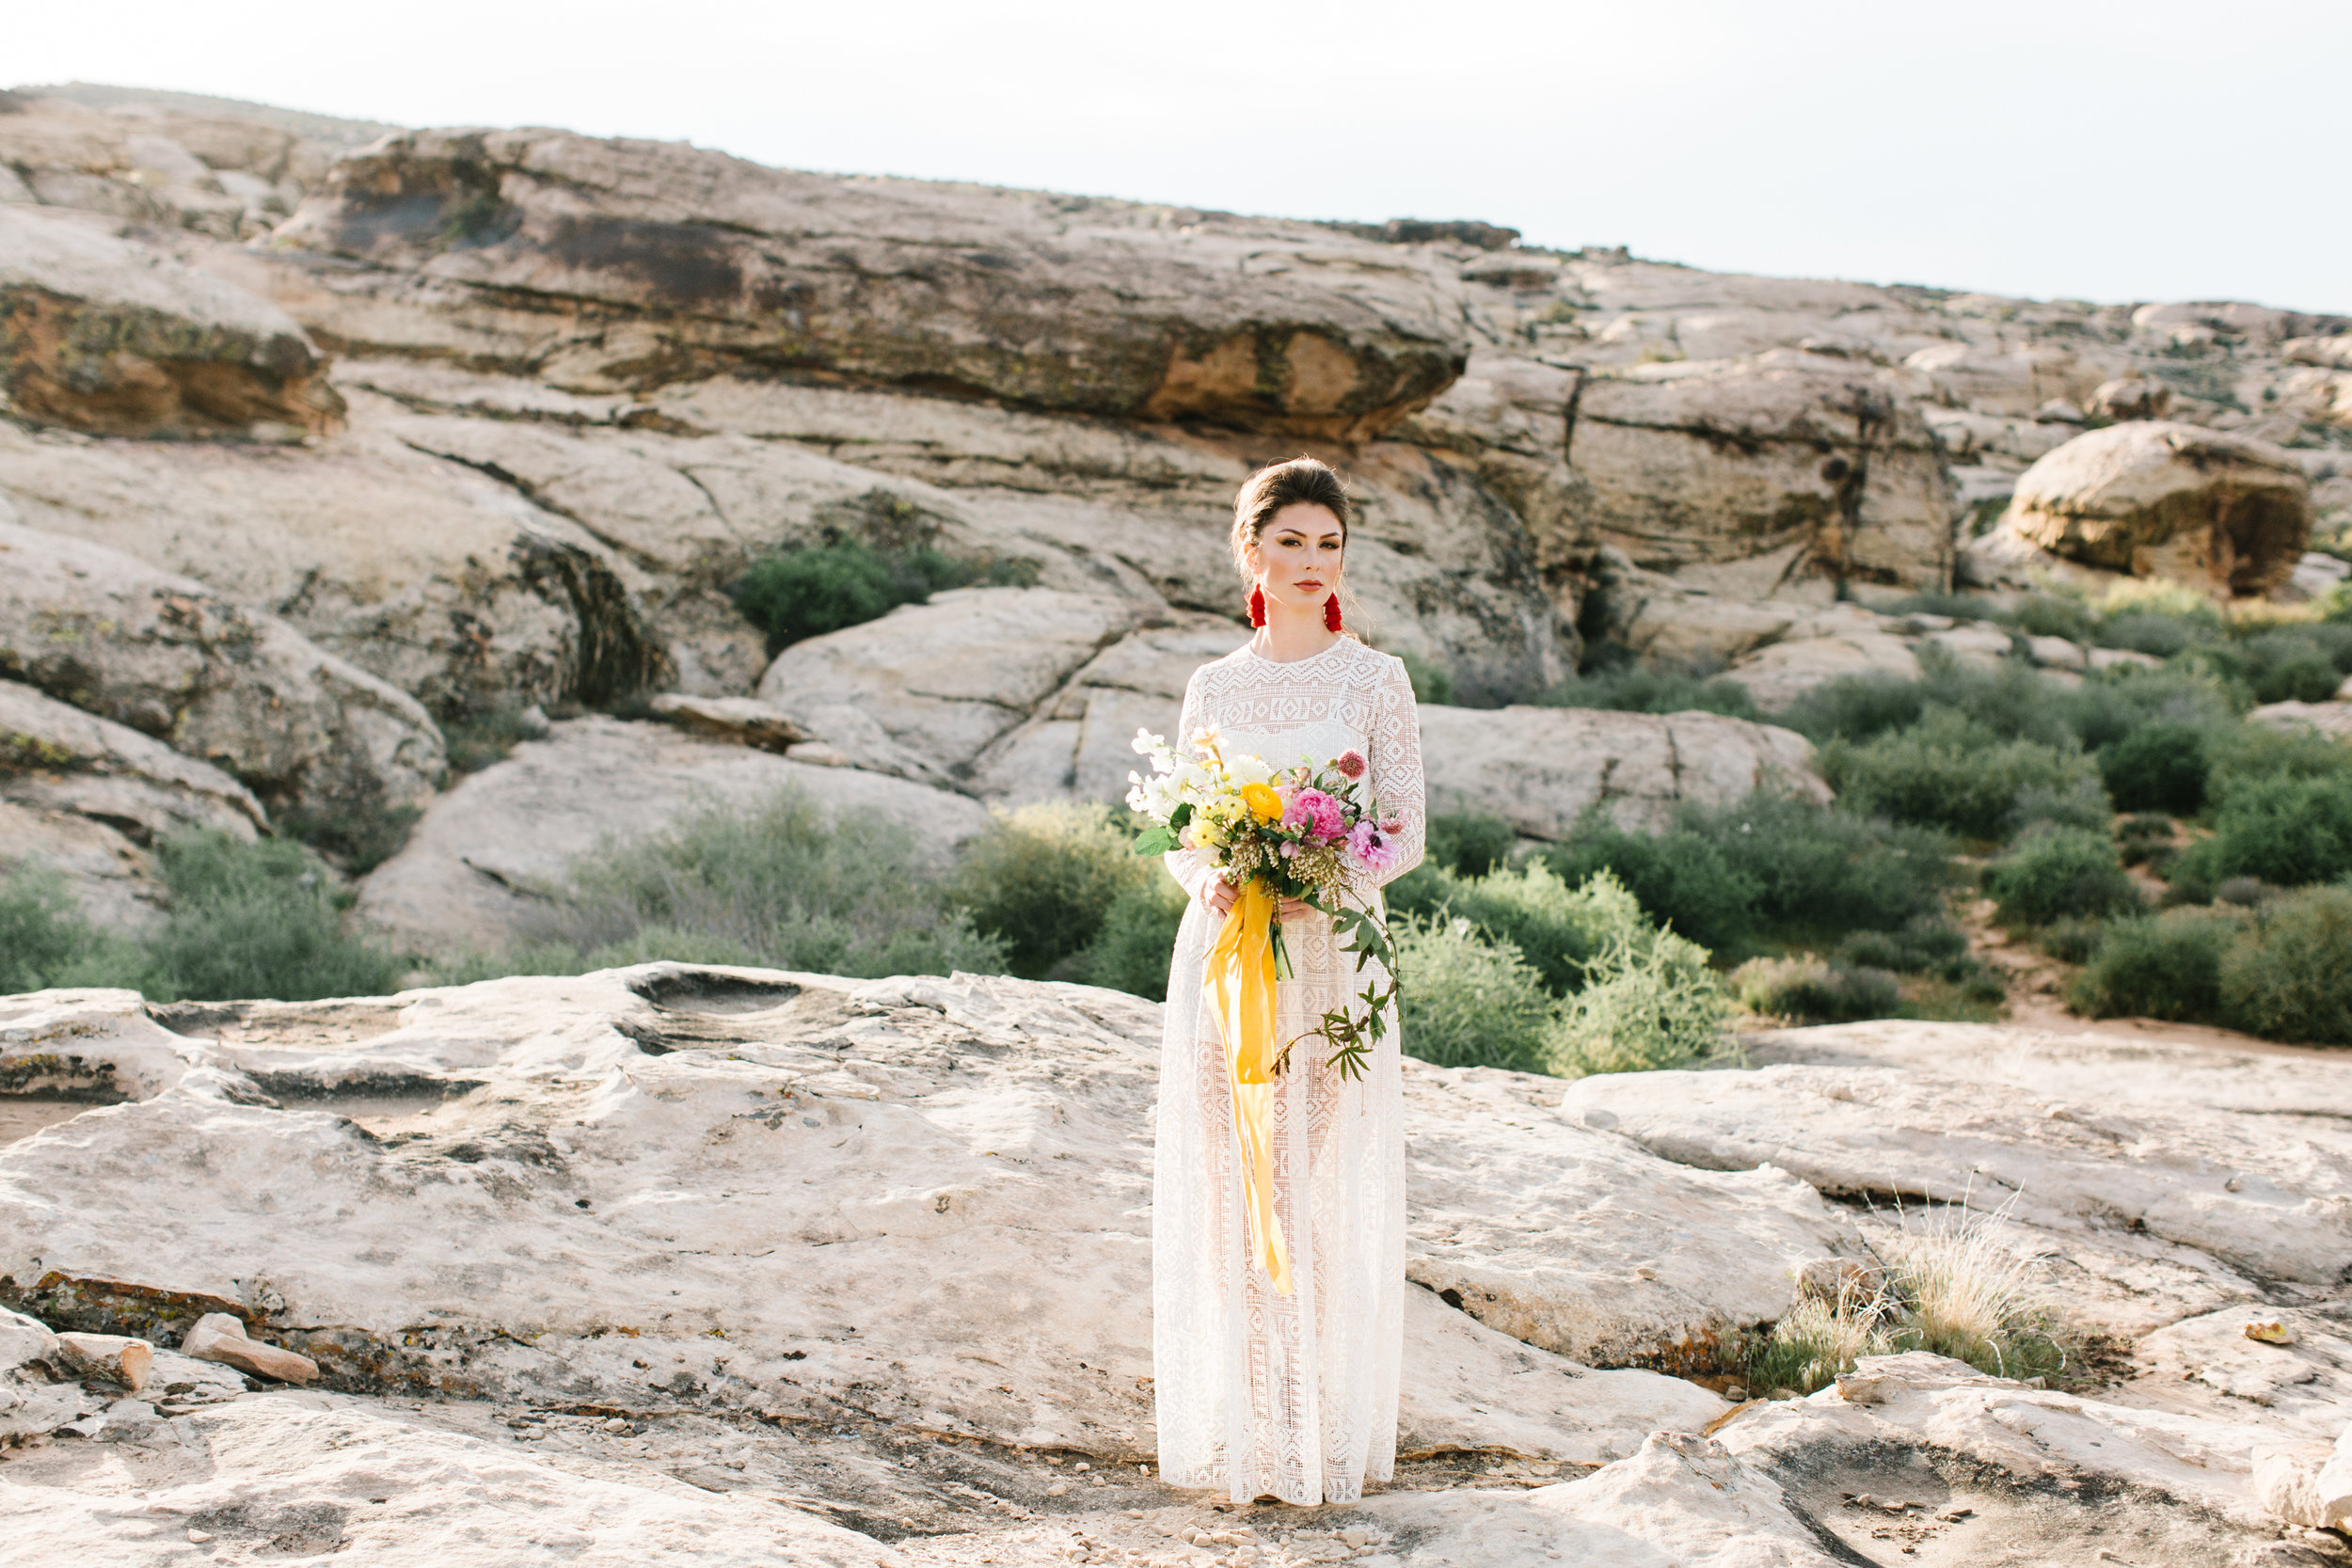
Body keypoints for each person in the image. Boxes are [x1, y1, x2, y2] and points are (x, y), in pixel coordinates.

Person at [1152, 456, 1425, 1506]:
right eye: (1292, 541)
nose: (1313, 562)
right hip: (1225, 957)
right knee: (1229, 1184)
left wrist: (1327, 877)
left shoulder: (1373, 678)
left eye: (1329, 543)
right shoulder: (1213, 685)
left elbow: (1401, 826)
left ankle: (1305, 1414)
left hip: (1328, 957)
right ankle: (1247, 1415)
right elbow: (1183, 824)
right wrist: (1217, 873)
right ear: (1251, 550)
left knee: (1302, 1181)